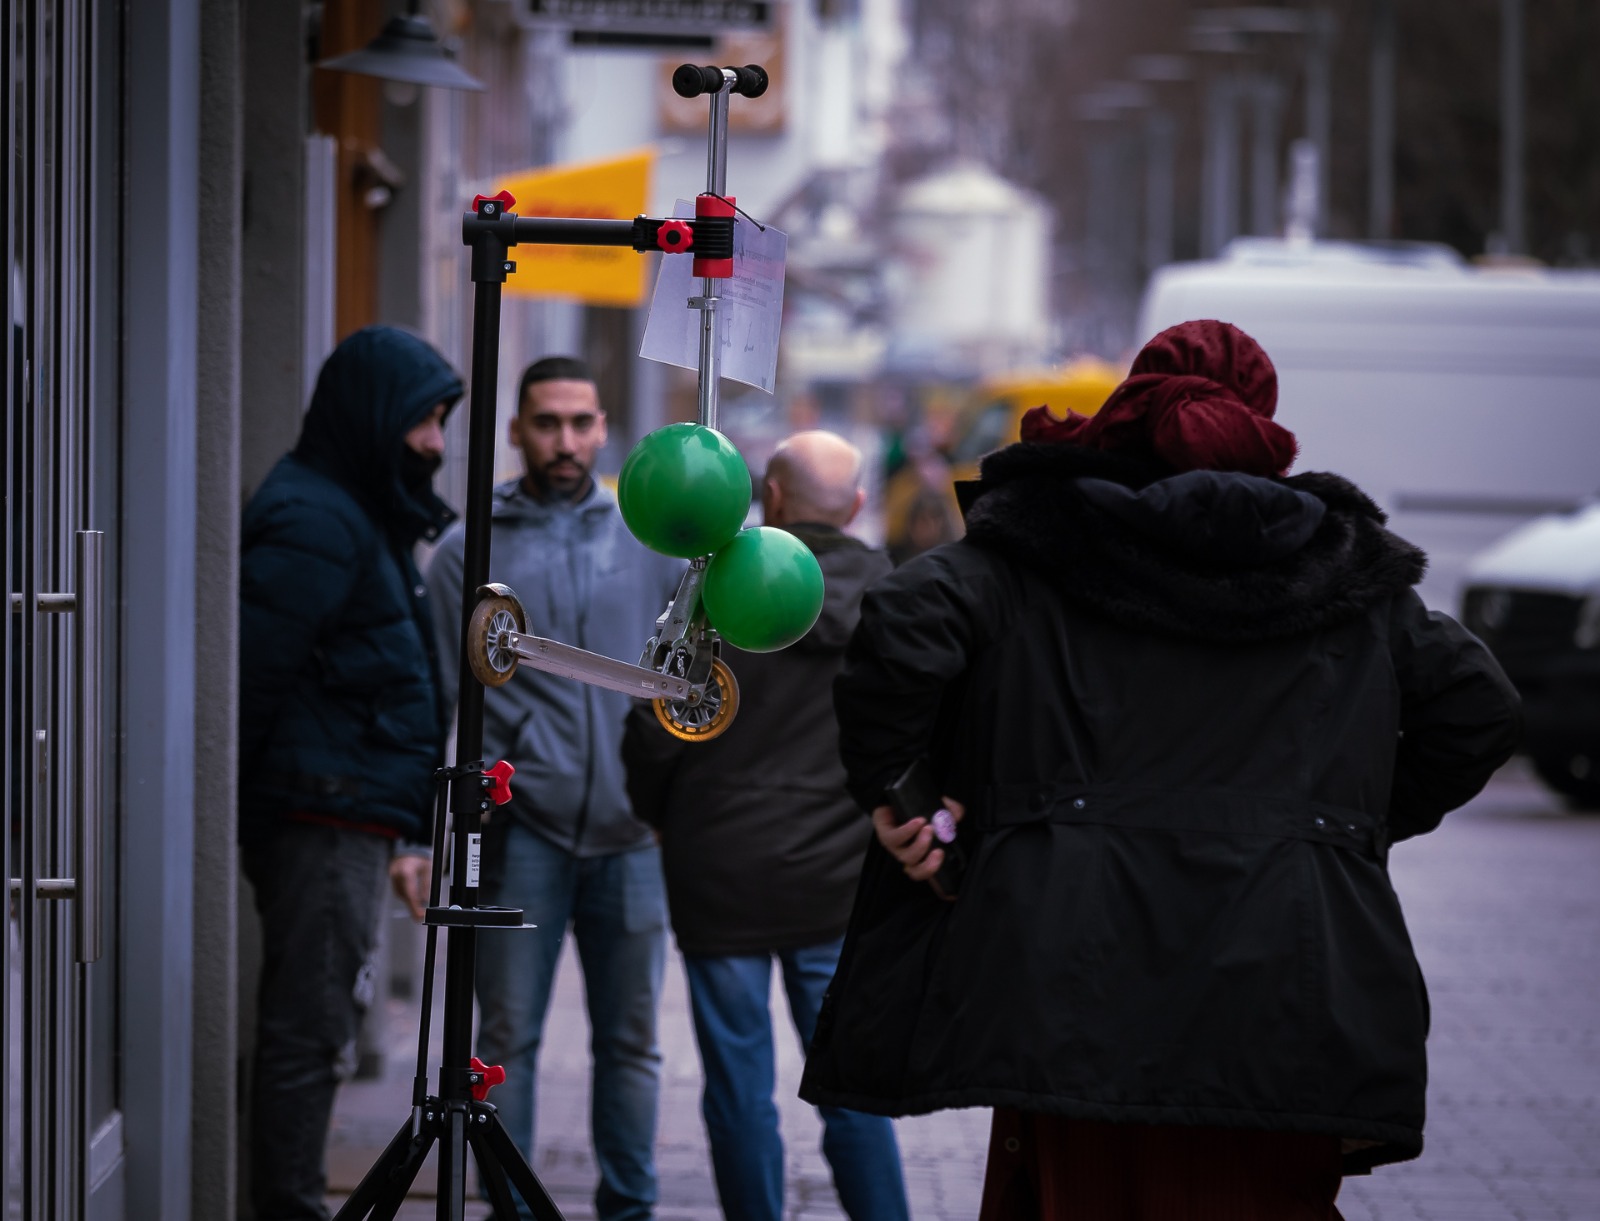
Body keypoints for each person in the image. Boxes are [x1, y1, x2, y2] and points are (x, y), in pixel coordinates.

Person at [798, 320, 1523, 1219]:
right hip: (1285, 987)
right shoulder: (1344, 569)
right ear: (1263, 428)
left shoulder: (1043, 539)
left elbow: (906, 620)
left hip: (1069, 980)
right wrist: (1336, 827)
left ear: (1130, 413)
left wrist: (906, 798)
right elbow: (1481, 708)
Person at [622, 432, 913, 1221]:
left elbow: (656, 726)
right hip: (837, 880)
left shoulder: (711, 592)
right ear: (856, 506)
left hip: (719, 866)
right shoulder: (892, 598)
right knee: (850, 1084)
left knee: (738, 1088)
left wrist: (660, 814)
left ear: (771, 498)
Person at [424, 355, 681, 1221]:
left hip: (634, 834)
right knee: (508, 1043)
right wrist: (417, 837)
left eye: (580, 423)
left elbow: (691, 683)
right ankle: (512, 1211)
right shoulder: (467, 552)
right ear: (516, 431)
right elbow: (437, 700)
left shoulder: (652, 541)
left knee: (633, 1044)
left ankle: (630, 1211)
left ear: (603, 429)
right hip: (522, 829)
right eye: (546, 423)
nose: (564, 441)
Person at [238, 325, 463, 1221]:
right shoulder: (317, 519)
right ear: (373, 414)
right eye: (424, 420)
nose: (435, 443)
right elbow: (249, 679)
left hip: (343, 811)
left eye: (443, 421)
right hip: (320, 816)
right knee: (312, 1031)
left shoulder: (350, 511)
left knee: (321, 1024)